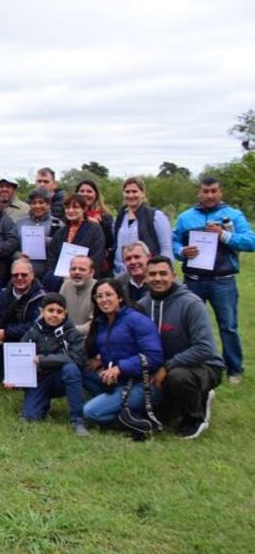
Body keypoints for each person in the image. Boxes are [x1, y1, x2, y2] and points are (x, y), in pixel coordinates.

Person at [172, 176, 255, 384]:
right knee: (188, 324)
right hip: (193, 280)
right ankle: (190, 365)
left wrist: (224, 236)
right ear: (199, 192)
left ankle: (234, 370)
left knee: (228, 326)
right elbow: (174, 242)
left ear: (221, 192)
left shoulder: (233, 215)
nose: (209, 195)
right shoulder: (186, 217)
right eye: (205, 191)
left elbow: (250, 242)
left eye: (213, 191)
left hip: (222, 281)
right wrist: (182, 251)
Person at [140, 256, 224, 438]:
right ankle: (192, 398)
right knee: (162, 418)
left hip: (204, 365)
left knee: (178, 377)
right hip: (162, 368)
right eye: (152, 274)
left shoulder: (191, 304)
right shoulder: (143, 305)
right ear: (145, 278)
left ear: (174, 275)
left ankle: (195, 417)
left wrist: (167, 366)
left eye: (163, 273)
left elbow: (205, 348)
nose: (157, 278)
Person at [81, 278, 163, 428]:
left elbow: (154, 356)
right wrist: (101, 360)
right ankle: (127, 410)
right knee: (81, 371)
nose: (104, 299)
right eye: (99, 296)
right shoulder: (101, 322)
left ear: (119, 297)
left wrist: (119, 368)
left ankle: (137, 421)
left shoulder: (137, 320)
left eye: (108, 295)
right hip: (115, 381)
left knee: (89, 412)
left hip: (141, 383)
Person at [16, 293, 89, 435]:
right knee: (30, 417)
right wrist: (15, 380)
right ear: (41, 311)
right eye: (50, 310)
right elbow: (20, 357)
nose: (55, 315)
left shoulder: (72, 332)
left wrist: (44, 359)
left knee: (71, 369)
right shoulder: (33, 332)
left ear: (65, 314)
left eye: (59, 312)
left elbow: (78, 358)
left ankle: (77, 420)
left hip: (60, 378)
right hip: (39, 379)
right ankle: (42, 405)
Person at [0, 258, 46, 373]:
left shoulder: (42, 297)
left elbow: (34, 326)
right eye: (15, 275)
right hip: (2, 340)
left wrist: (5, 333)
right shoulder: (3, 294)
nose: (19, 278)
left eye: (24, 275)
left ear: (32, 275)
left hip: (28, 343)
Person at [112, 177, 173, 273]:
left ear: (143, 194)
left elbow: (166, 247)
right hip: (120, 273)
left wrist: (164, 270)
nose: (131, 195)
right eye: (127, 192)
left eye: (134, 191)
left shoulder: (156, 216)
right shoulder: (118, 218)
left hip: (148, 272)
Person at [44, 194, 106, 288]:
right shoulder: (61, 232)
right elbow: (52, 257)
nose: (71, 211)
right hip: (60, 281)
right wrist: (56, 275)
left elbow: (96, 257)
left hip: (84, 282)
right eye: (67, 208)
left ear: (84, 209)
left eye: (75, 207)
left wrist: (77, 274)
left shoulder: (94, 229)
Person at [14, 188, 62, 279]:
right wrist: (18, 256)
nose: (37, 206)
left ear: (48, 204)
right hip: (22, 274)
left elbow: (61, 250)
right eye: (34, 203)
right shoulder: (20, 223)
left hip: (47, 275)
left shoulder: (58, 224)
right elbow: (12, 247)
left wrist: (45, 241)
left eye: (41, 202)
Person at [74, 179, 115, 276]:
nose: (85, 194)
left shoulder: (105, 217)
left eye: (89, 191)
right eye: (82, 191)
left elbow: (110, 243)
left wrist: (98, 226)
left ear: (96, 195)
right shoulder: (69, 215)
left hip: (99, 267)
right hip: (74, 264)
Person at [58, 255, 96, 336]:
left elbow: (97, 322)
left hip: (90, 338)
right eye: (73, 269)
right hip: (66, 336)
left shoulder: (98, 288)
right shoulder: (65, 286)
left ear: (91, 273)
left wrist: (70, 330)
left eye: (82, 269)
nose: (77, 272)